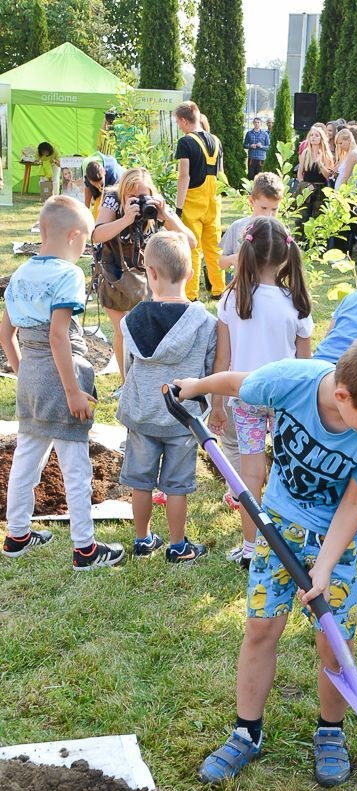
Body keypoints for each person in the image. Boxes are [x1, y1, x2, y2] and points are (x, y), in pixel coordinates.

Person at [173, 330, 357, 787]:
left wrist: (326, 565)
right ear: (344, 395)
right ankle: (245, 732)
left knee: (334, 642)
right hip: (279, 527)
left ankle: (331, 731)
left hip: (340, 541)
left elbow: (354, 504)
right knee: (261, 628)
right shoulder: (291, 381)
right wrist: (195, 387)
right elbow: (241, 384)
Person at [0, 196, 125, 570]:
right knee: (75, 466)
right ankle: (85, 549)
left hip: (31, 381)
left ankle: (17, 535)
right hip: (61, 380)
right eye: (85, 241)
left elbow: (6, 335)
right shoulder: (68, 274)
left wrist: (25, 375)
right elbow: (59, 337)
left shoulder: (21, 274)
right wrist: (72, 392)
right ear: (74, 235)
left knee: (27, 460)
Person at [214, 217, 314, 569]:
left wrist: (216, 404)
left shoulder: (230, 299)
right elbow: (306, 364)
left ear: (246, 252)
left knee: (250, 475)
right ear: (286, 258)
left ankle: (250, 547)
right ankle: (293, 542)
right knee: (290, 473)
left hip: (246, 398)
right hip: (287, 401)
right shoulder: (296, 302)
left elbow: (222, 359)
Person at [115, 232, 217, 564]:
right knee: (176, 485)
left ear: (150, 273)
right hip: (182, 417)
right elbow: (209, 368)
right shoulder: (204, 323)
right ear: (189, 274)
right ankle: (177, 545)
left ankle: (143, 539)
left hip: (143, 413)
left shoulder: (132, 320)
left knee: (141, 481)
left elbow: (129, 366)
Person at [92, 167, 195, 383]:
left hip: (145, 277)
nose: (138, 201)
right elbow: (97, 236)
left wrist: (165, 215)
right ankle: (126, 382)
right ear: (123, 192)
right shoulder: (112, 198)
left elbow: (191, 242)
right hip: (115, 275)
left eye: (142, 195)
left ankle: (146, 378)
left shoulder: (155, 202)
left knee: (146, 329)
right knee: (122, 329)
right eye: (131, 195)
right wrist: (126, 219)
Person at [174, 101, 225, 301]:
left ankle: (191, 294)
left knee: (192, 248)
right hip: (213, 202)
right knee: (214, 249)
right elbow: (220, 174)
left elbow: (183, 176)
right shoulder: (216, 141)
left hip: (193, 203)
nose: (179, 126)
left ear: (184, 121)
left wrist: (178, 208)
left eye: (178, 122)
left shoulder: (185, 142)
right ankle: (219, 290)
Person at [219, 172, 285, 272]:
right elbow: (221, 263)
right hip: (243, 286)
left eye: (274, 209)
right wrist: (232, 259)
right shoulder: (238, 227)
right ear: (251, 201)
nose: (268, 215)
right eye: (264, 208)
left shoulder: (281, 231)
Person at [296, 126, 334, 222]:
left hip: (320, 189)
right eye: (311, 135)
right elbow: (300, 173)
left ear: (321, 138)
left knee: (318, 218)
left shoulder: (326, 154)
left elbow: (328, 176)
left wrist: (320, 164)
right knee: (303, 217)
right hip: (307, 188)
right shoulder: (305, 153)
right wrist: (304, 185)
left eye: (316, 135)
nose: (313, 137)